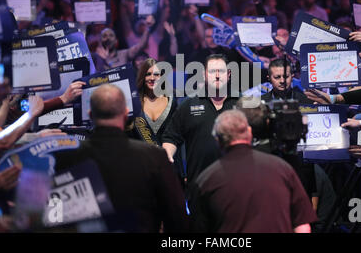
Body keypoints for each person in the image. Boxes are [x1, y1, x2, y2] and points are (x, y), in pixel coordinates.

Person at [55, 84, 188, 232]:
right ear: (125, 114)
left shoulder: (66, 156)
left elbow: (57, 216)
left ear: (91, 115)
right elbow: (176, 215)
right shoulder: (154, 157)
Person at [189, 109, 317, 233]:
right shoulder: (283, 169)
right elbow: (302, 226)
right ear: (249, 133)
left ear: (217, 140)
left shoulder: (206, 180)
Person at [162, 54, 240, 190]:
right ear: (204, 75)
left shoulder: (242, 103)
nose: (216, 76)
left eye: (221, 71)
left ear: (228, 74)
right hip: (199, 184)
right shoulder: (188, 104)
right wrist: (167, 156)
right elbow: (171, 137)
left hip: (236, 183)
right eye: (211, 71)